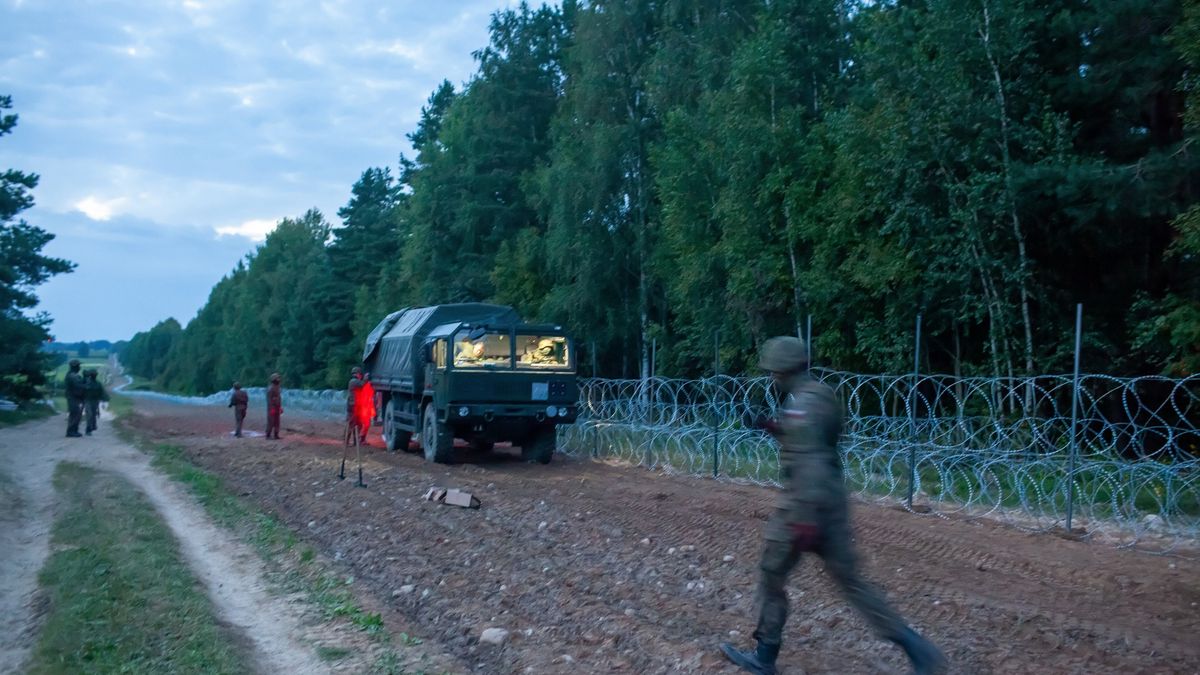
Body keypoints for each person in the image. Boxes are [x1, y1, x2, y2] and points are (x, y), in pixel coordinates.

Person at [720, 337, 946, 675]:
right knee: (852, 583)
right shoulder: (821, 395)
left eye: (773, 372)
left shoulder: (801, 404)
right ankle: (915, 647)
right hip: (833, 501)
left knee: (771, 575)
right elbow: (817, 441)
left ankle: (765, 656)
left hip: (804, 504)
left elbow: (811, 460)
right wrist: (772, 427)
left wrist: (805, 520)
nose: (771, 379)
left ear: (782, 371)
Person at [347, 367, 374, 444]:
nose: (360, 376)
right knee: (352, 424)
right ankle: (347, 441)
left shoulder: (355, 381)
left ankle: (356, 441)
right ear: (357, 374)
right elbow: (362, 384)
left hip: (356, 406)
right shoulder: (353, 381)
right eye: (360, 374)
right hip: (352, 406)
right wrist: (366, 378)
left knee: (358, 424)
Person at [82, 368, 109, 435]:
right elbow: (82, 391)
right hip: (88, 400)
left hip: (95, 401)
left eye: (95, 374)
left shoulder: (98, 383)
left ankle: (92, 427)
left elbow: (102, 392)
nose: (94, 375)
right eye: (93, 374)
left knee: (93, 415)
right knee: (89, 414)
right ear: (91, 375)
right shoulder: (87, 383)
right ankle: (88, 429)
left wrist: (104, 399)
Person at [63, 359, 85, 437]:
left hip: (74, 397)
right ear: (75, 366)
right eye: (78, 366)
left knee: (76, 414)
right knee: (75, 413)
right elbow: (79, 386)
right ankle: (71, 431)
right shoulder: (72, 376)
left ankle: (74, 430)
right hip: (73, 397)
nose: (79, 367)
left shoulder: (73, 375)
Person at [265, 373, 282, 439]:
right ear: (274, 379)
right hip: (272, 407)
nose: (279, 380)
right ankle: (268, 435)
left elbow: (278, 397)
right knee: (271, 421)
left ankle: (276, 434)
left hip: (277, 406)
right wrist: (272, 408)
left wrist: (280, 406)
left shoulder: (278, 387)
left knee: (277, 421)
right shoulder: (270, 388)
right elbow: (269, 399)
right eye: (277, 378)